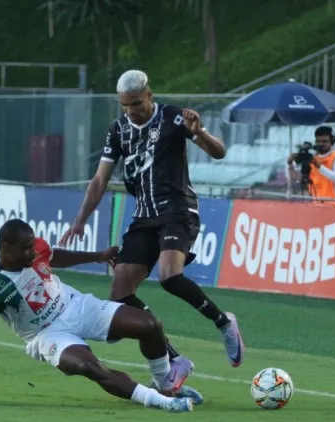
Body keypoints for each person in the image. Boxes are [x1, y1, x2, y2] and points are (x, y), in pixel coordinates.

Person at [59, 69, 244, 371]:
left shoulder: (173, 117)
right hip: (144, 216)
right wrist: (80, 219)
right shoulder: (118, 130)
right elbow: (99, 180)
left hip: (178, 210)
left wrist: (199, 132)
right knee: (120, 292)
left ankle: (224, 323)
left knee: (170, 276)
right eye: (126, 105)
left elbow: (219, 152)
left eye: (136, 103)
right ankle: (175, 358)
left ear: (149, 95)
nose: (132, 110)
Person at [0, 219, 195, 413]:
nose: (33, 251)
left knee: (149, 324)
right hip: (47, 334)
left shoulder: (33, 248)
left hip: (74, 305)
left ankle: (164, 384)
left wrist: (98, 256)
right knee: (88, 366)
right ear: (7, 248)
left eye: (33, 246)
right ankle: (159, 401)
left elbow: (54, 256)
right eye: (26, 248)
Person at [287, 126, 335, 202]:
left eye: (325, 141)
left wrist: (319, 166)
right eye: (318, 141)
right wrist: (290, 164)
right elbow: (296, 179)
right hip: (316, 205)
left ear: (331, 142)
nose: (321, 144)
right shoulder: (312, 159)